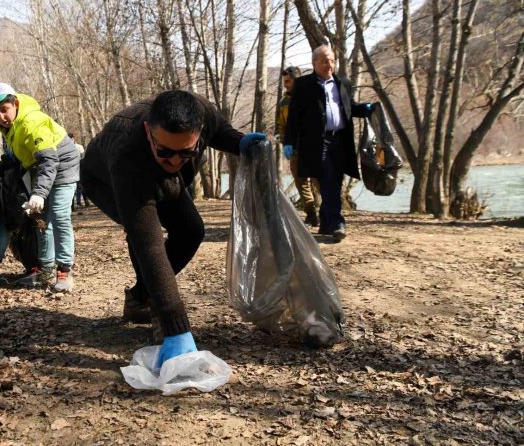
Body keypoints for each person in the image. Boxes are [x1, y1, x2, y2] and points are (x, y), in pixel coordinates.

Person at [80, 89, 266, 367]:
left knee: (191, 230)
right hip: (103, 179)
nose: (176, 161)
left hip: (159, 177)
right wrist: (175, 324)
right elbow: (149, 243)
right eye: (165, 151)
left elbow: (220, 132)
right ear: (148, 131)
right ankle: (156, 306)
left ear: (198, 131)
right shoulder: (127, 153)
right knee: (142, 233)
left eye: (186, 153)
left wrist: (241, 143)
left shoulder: (202, 111)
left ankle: (139, 298)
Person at [0, 82, 80, 292]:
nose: (1, 117)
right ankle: (45, 270)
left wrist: (39, 193)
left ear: (15, 103)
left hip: (62, 165)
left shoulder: (31, 122)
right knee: (41, 220)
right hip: (39, 168)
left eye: (4, 110)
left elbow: (49, 161)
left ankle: (64, 271)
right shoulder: (8, 128)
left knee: (60, 215)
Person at [283, 45, 373, 241]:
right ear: (314, 63)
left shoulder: (343, 83)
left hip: (340, 139)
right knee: (328, 176)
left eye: (332, 61)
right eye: (324, 61)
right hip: (316, 142)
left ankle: (325, 222)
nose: (329, 65)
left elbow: (348, 108)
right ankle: (337, 222)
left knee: (335, 179)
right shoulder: (304, 85)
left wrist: (365, 109)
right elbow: (294, 117)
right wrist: (288, 141)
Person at [276, 66, 320, 227]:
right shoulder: (284, 101)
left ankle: (326, 213)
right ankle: (311, 214)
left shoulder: (311, 96)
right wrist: (283, 140)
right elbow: (280, 124)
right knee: (301, 182)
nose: (286, 84)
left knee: (318, 181)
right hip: (294, 148)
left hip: (312, 146)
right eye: (284, 81)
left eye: (288, 81)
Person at [68, 133, 90, 210]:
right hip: (71, 169)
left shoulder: (79, 147)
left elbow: (83, 157)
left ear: (73, 139)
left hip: (79, 168)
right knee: (73, 187)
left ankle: (85, 202)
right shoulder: (67, 148)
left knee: (80, 186)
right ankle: (73, 206)